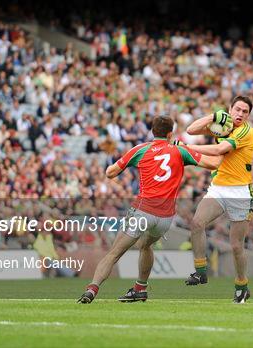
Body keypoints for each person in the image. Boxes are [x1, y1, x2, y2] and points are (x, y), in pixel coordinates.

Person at [77, 116, 223, 304]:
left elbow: (110, 172)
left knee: (114, 253)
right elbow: (213, 164)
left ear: (152, 132)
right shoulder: (180, 150)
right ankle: (140, 288)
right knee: (146, 245)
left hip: (142, 211)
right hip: (165, 218)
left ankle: (92, 288)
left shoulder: (140, 150)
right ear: (170, 134)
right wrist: (222, 147)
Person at [182, 95, 253, 303]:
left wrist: (185, 147)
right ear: (230, 109)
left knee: (236, 246)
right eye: (237, 110)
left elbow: (218, 150)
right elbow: (191, 130)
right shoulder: (222, 124)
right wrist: (212, 117)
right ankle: (200, 271)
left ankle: (242, 285)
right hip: (219, 188)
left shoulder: (246, 131)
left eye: (245, 112)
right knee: (197, 223)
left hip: (240, 192)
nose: (240, 114)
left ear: (248, 115)